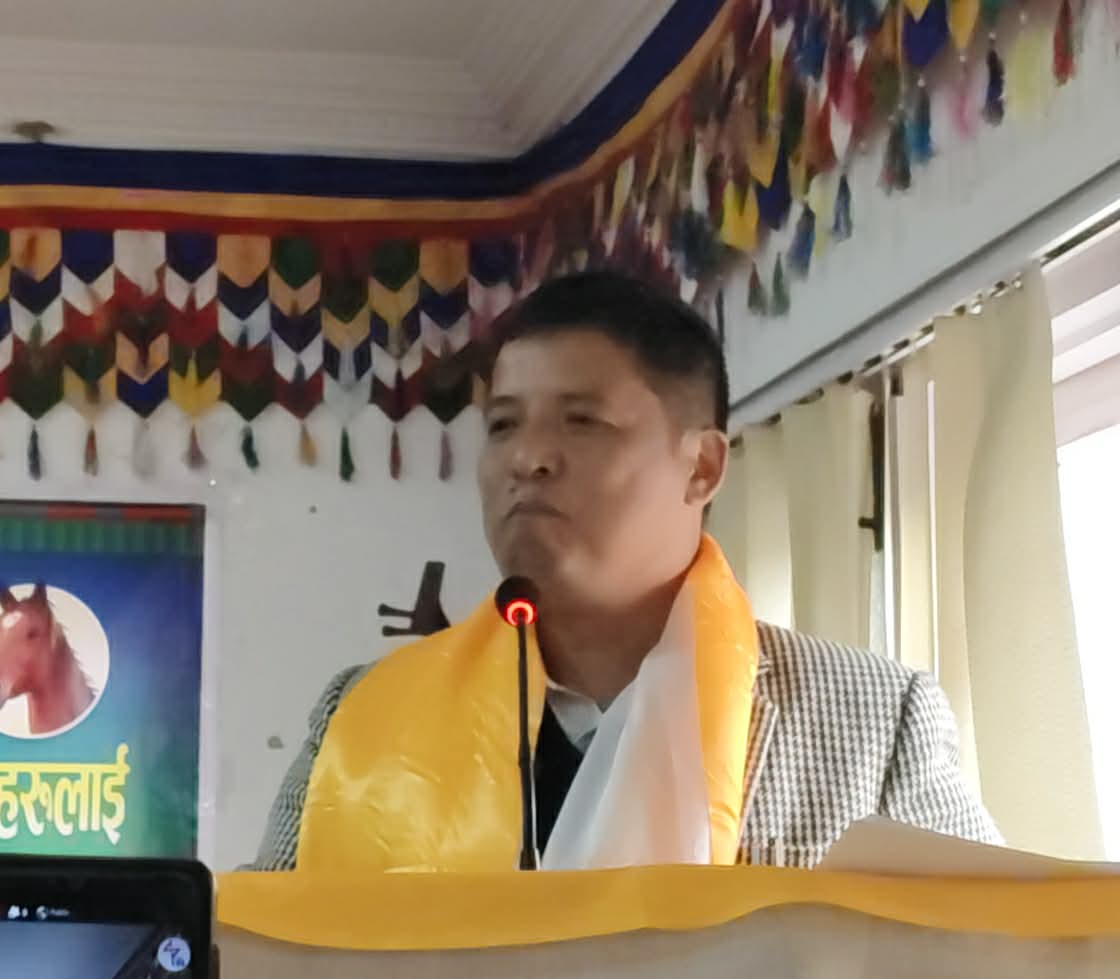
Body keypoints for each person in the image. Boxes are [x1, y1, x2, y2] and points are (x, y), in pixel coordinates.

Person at [253, 270, 1000, 872]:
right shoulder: (359, 715)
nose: (527, 457)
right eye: (503, 424)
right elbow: (253, 974)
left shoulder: (875, 723)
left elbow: (984, 977)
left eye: (582, 421)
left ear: (701, 467)